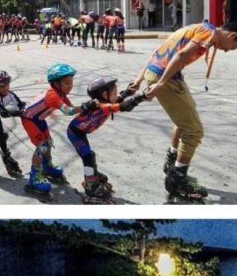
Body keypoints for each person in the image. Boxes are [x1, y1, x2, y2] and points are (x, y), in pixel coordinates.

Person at [128, 20, 237, 201]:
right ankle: (177, 179)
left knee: (187, 117)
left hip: (160, 72)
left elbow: (158, 52)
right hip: (167, 77)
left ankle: (172, 163)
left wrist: (139, 80)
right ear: (232, 36)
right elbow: (182, 54)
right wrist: (160, 84)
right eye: (232, 47)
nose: (226, 50)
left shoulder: (197, 27)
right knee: (194, 130)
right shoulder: (209, 34)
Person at [20, 62, 96, 199]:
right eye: (67, 83)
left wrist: (88, 109)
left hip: (39, 119)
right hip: (30, 119)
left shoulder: (60, 94)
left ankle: (47, 165)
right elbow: (68, 111)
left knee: (48, 142)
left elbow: (73, 108)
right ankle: (34, 176)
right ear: (56, 84)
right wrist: (85, 107)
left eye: (71, 82)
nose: (70, 86)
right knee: (42, 146)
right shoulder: (52, 95)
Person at [66, 75, 147, 203]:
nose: (116, 95)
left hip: (81, 131)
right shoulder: (101, 106)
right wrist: (141, 97)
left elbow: (119, 100)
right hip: (75, 132)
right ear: (104, 94)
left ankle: (92, 175)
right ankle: (90, 185)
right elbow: (122, 106)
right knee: (87, 156)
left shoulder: (105, 102)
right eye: (114, 92)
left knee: (89, 156)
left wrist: (128, 92)